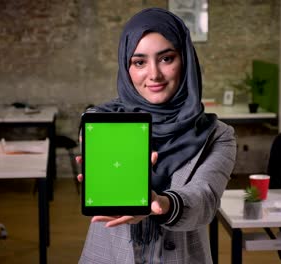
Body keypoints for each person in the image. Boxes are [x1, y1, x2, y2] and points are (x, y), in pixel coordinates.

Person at [77, 8, 236, 263]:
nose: (154, 74)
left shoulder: (217, 135)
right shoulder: (103, 121)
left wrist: (163, 204)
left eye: (166, 58)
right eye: (139, 62)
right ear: (126, 67)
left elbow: (205, 199)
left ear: (185, 59)